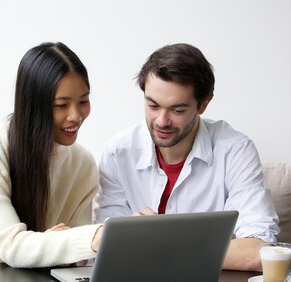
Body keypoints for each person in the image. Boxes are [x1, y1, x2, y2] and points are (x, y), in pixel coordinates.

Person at [95, 43, 279, 271]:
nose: (162, 121)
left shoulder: (235, 150)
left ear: (203, 105)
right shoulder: (118, 152)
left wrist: (156, 242)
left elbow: (259, 252)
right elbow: (105, 246)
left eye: (178, 110)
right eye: (153, 105)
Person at [0, 42, 102, 268]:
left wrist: (52, 246)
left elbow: (77, 259)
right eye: (61, 105)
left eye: (83, 101)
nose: (76, 115)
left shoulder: (83, 164)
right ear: (32, 105)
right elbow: (12, 247)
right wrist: (92, 237)